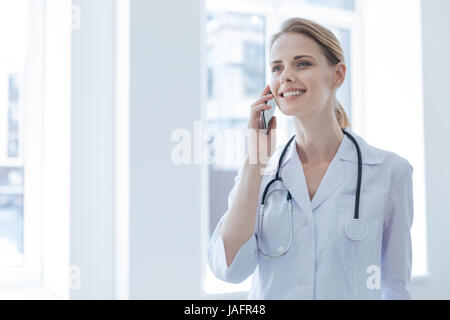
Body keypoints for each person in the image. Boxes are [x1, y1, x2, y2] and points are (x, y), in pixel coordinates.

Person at [207, 17, 414, 299]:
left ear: (337, 75)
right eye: (277, 67)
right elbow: (229, 269)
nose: (286, 75)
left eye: (302, 63)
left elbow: (394, 286)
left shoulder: (390, 172)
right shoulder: (261, 173)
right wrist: (255, 160)